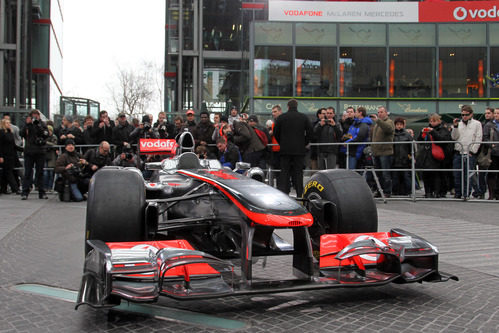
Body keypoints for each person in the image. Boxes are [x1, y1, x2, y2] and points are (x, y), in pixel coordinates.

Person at [273, 99, 313, 197]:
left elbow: (275, 133)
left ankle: (284, 193)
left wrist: (281, 143)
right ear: (297, 106)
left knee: (284, 172)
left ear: (288, 106)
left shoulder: (281, 118)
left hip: (285, 150)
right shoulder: (303, 117)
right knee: (298, 173)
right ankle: (300, 194)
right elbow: (310, 132)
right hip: (299, 150)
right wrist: (304, 142)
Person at [416, 114, 451, 198]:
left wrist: (433, 132)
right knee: (426, 174)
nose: (432, 123)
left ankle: (437, 191)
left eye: (434, 121)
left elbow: (443, 140)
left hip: (438, 156)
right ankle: (428, 191)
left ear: (439, 121)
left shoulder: (443, 129)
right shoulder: (427, 129)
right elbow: (419, 141)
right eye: (431, 121)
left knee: (437, 174)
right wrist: (422, 135)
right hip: (426, 155)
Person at [451, 105, 482, 198]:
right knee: (457, 174)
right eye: (462, 115)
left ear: (471, 114)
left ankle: (466, 193)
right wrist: (455, 127)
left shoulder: (477, 124)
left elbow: (478, 137)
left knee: (468, 175)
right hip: (458, 152)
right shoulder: (458, 124)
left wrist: (472, 150)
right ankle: (458, 193)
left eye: (466, 114)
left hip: (469, 152)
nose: (464, 116)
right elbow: (454, 137)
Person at [20, 109, 49, 200]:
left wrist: (38, 125)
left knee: (40, 172)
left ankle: (41, 192)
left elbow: (45, 134)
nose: (35, 117)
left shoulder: (42, 124)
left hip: (40, 151)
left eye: (36, 115)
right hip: (29, 152)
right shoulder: (27, 125)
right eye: (33, 115)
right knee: (28, 172)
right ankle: (25, 192)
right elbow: (22, 134)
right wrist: (27, 124)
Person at [370, 106, 395, 197]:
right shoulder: (377, 124)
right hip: (376, 152)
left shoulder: (389, 122)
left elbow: (388, 129)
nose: (379, 114)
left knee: (385, 174)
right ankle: (379, 190)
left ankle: (387, 191)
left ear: (386, 113)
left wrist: (378, 121)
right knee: (378, 174)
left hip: (385, 152)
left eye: (381, 112)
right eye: (378, 112)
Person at [0, 118, 23, 194]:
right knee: (9, 172)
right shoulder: (1, 133)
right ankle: (15, 188)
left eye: (9, 123)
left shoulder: (10, 133)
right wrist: (1, 156)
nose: (9, 124)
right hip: (5, 155)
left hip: (11, 155)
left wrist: (23, 149)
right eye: (7, 123)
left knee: (5, 173)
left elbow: (14, 145)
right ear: (3, 124)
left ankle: (3, 189)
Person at [392, 118, 413, 196]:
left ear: (403, 125)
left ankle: (409, 192)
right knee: (395, 177)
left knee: (406, 176)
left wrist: (411, 157)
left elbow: (411, 148)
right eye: (397, 125)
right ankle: (395, 191)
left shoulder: (407, 135)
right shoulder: (392, 135)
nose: (399, 126)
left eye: (400, 124)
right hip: (395, 159)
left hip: (405, 160)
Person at [483, 108, 499, 199]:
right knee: (492, 173)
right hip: (493, 153)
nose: (496, 115)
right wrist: (491, 145)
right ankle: (492, 194)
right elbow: (485, 138)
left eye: (498, 113)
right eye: (496, 113)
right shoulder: (489, 125)